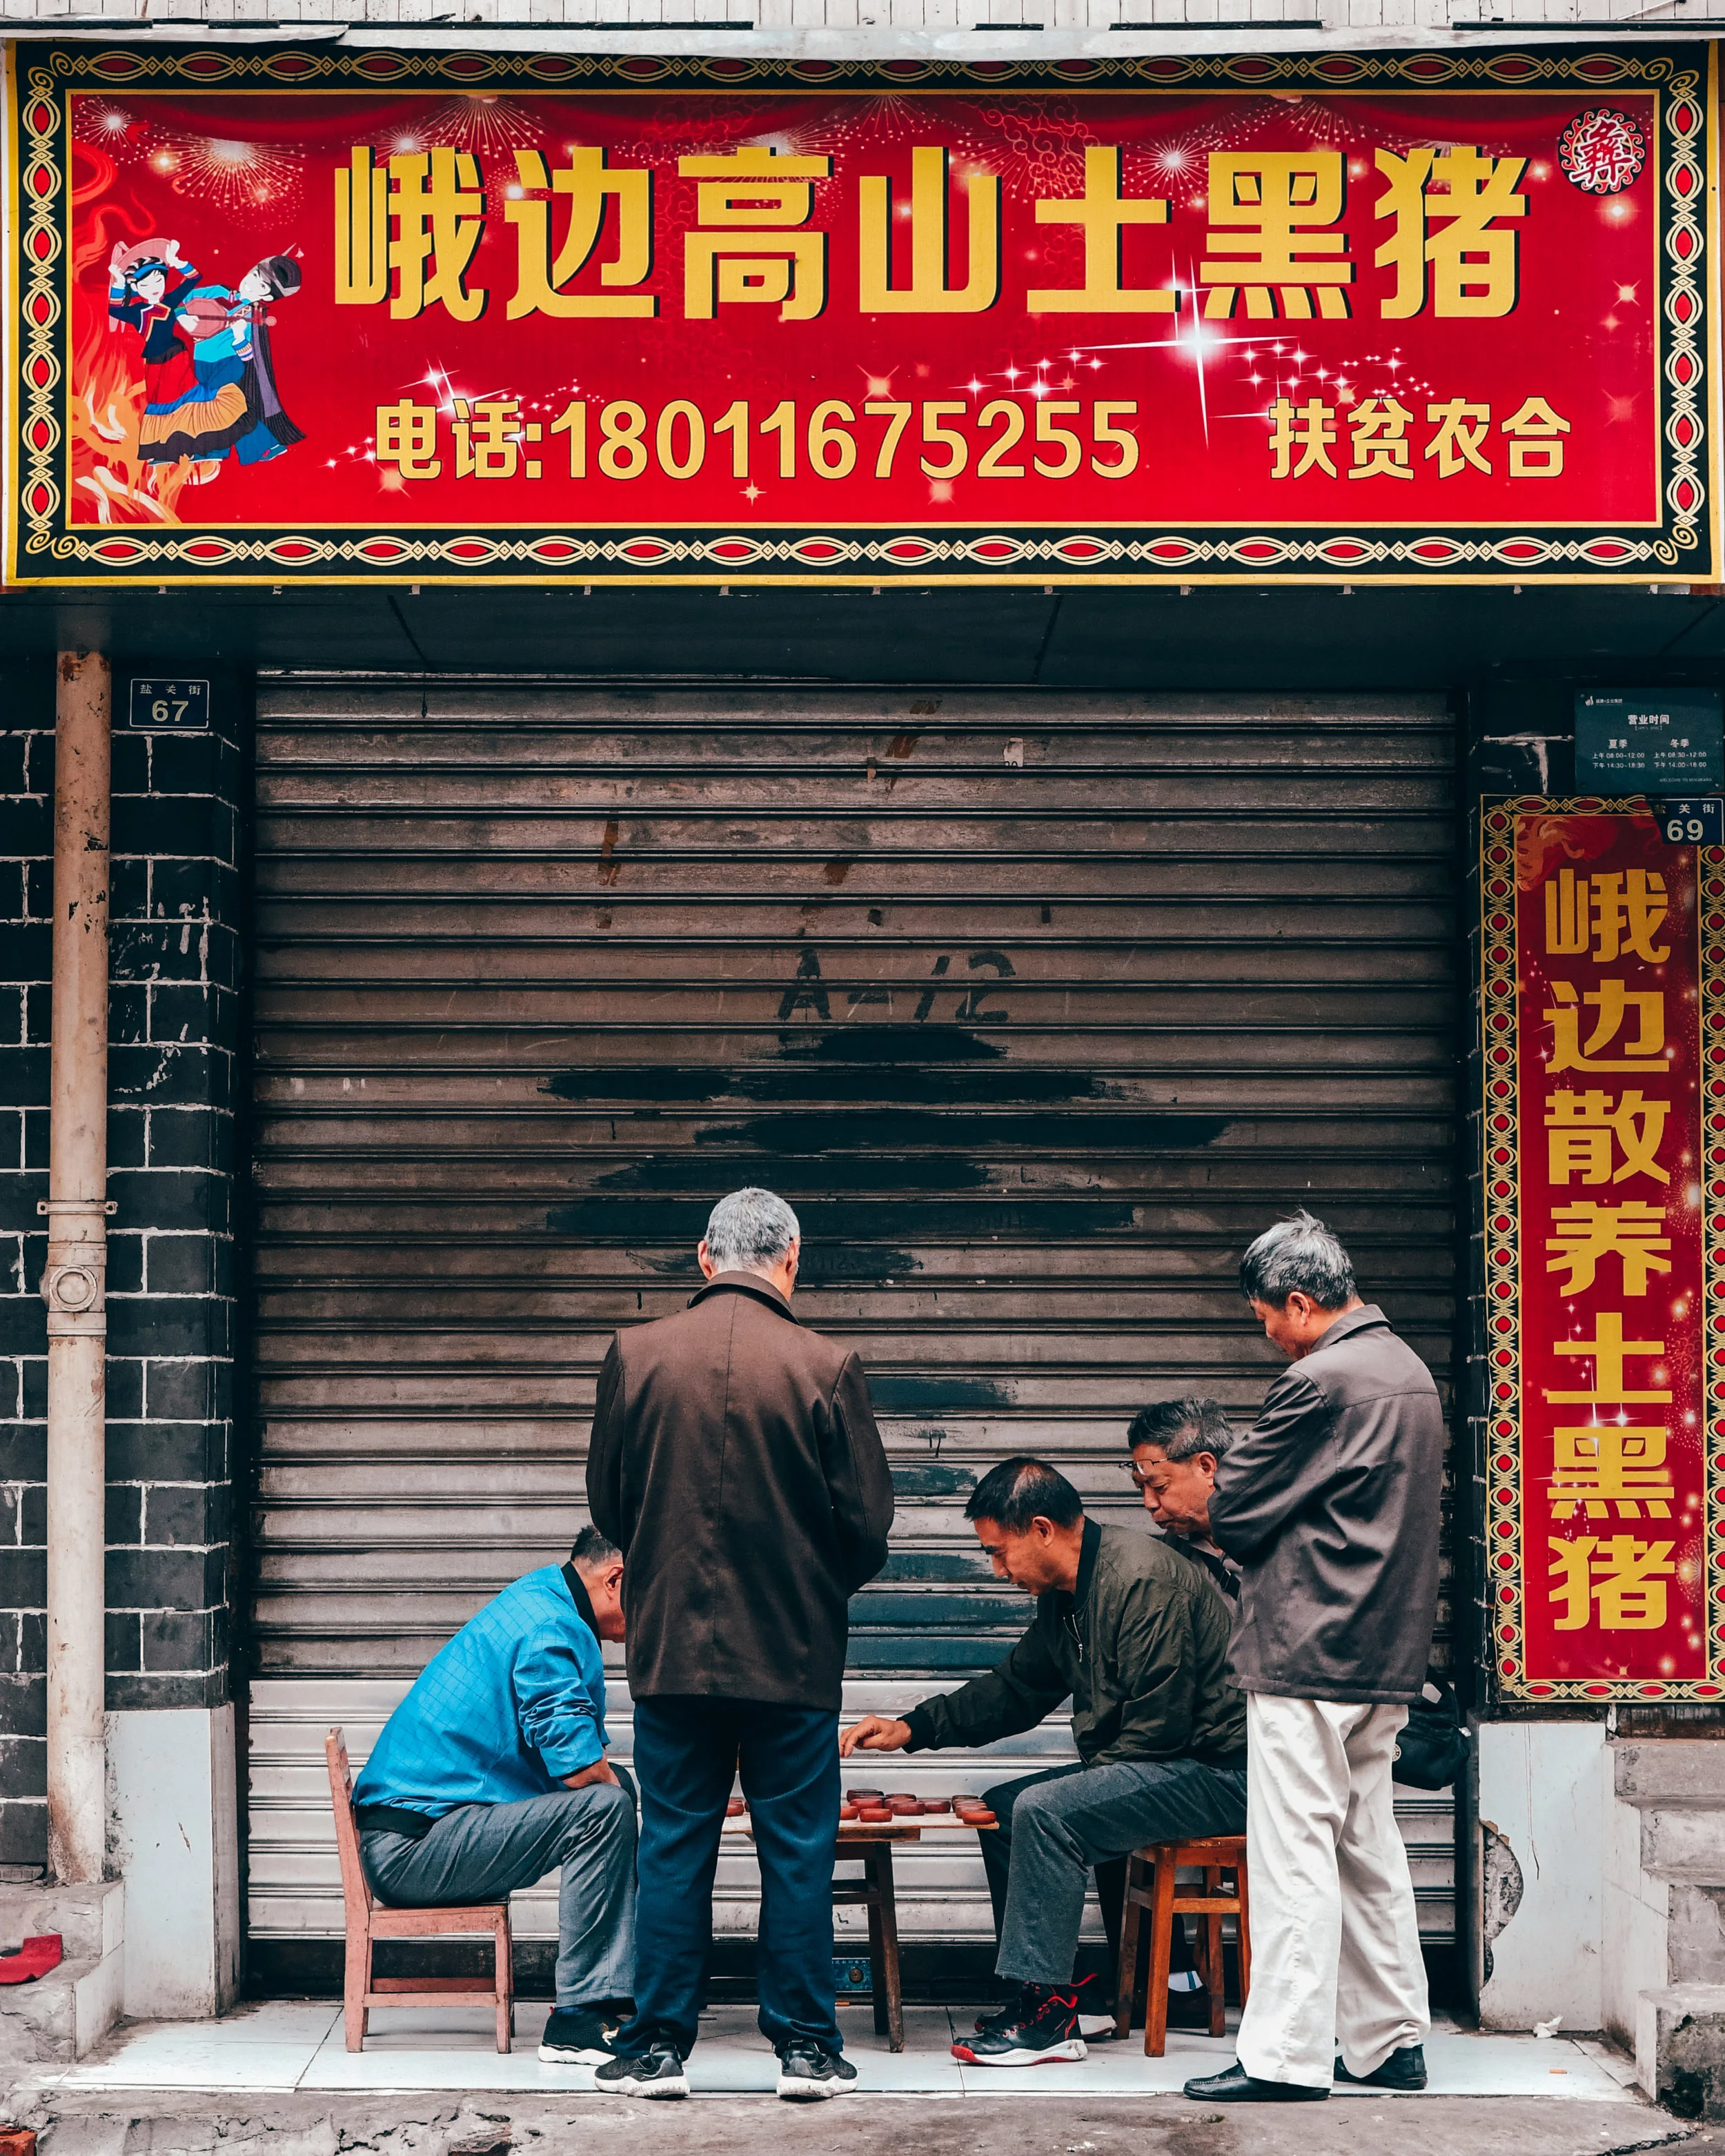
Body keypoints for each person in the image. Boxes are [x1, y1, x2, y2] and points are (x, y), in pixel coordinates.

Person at [586, 1187, 894, 2102]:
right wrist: (809, 1590)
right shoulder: (826, 1365)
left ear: (703, 1255)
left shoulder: (636, 1354)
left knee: (673, 1843)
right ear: (792, 1257)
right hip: (793, 1658)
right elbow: (867, 1526)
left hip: (671, 1653)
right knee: (796, 1848)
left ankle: (655, 2047)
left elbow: (610, 1504)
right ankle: (806, 2048)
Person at [842, 1456, 1247, 2069]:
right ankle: (1052, 1996)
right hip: (1162, 1764)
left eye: (999, 1552)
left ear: (1041, 1529)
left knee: (1046, 1809)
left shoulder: (1142, 1581)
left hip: (1218, 1772)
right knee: (1004, 1808)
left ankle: (1049, 2023)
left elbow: (1156, 1731)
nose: (998, 1570)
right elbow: (1016, 1689)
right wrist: (911, 1727)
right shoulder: (1066, 1596)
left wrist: (1079, 1795)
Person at [1183, 1211, 1444, 2106]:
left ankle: (1284, 2056)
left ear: (1299, 1301)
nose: (1266, 1333)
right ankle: (1390, 2042)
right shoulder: (1409, 1371)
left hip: (1308, 1648)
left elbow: (1234, 1507)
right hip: (1383, 1649)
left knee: (1294, 1852)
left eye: (1265, 1315)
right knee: (1367, 1846)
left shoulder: (1319, 1380)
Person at [351, 1527, 637, 2067]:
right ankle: (577, 2017)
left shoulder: (543, 1595)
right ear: (615, 1580)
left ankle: (616, 1989)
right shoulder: (553, 1624)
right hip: (413, 1848)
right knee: (606, 1805)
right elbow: (577, 1767)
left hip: (428, 1830)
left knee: (619, 1787)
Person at [1126, 1398, 1239, 1599]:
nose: (1149, 1503)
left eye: (1159, 1486)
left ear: (1206, 1467)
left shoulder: (1280, 1536)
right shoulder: (1169, 1557)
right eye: (1141, 1488)